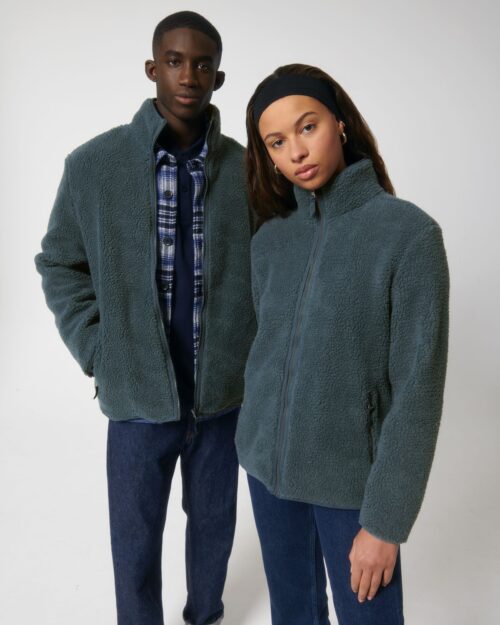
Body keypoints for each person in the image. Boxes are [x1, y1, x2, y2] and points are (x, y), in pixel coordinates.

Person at [34, 11, 256, 625]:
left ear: (218, 78)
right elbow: (59, 262)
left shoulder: (247, 172)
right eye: (176, 61)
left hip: (221, 398)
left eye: (203, 65)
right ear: (152, 68)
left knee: (214, 528)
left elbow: (274, 271)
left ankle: (206, 615)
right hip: (135, 395)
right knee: (133, 542)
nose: (189, 75)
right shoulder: (94, 165)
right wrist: (97, 350)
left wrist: (252, 355)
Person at [235, 63, 450, 625]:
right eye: (276, 142)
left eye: (308, 127)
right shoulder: (271, 238)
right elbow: (262, 347)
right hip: (267, 472)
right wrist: (251, 433)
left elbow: (418, 393)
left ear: (341, 123)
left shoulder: (409, 236)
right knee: (292, 615)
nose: (296, 152)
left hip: (353, 487)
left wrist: (385, 522)